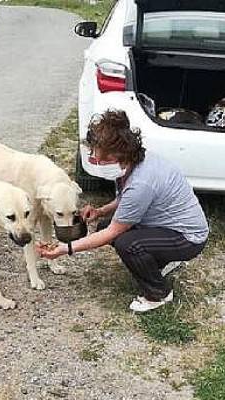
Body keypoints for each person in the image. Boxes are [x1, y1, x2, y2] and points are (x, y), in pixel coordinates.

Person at [36, 110, 209, 312]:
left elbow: (114, 230)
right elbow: (125, 198)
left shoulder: (142, 182)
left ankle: (159, 293)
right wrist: (101, 211)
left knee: (128, 243)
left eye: (96, 151)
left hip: (188, 237)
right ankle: (157, 263)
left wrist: (65, 249)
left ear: (113, 152)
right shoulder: (137, 161)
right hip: (165, 226)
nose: (93, 156)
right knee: (105, 225)